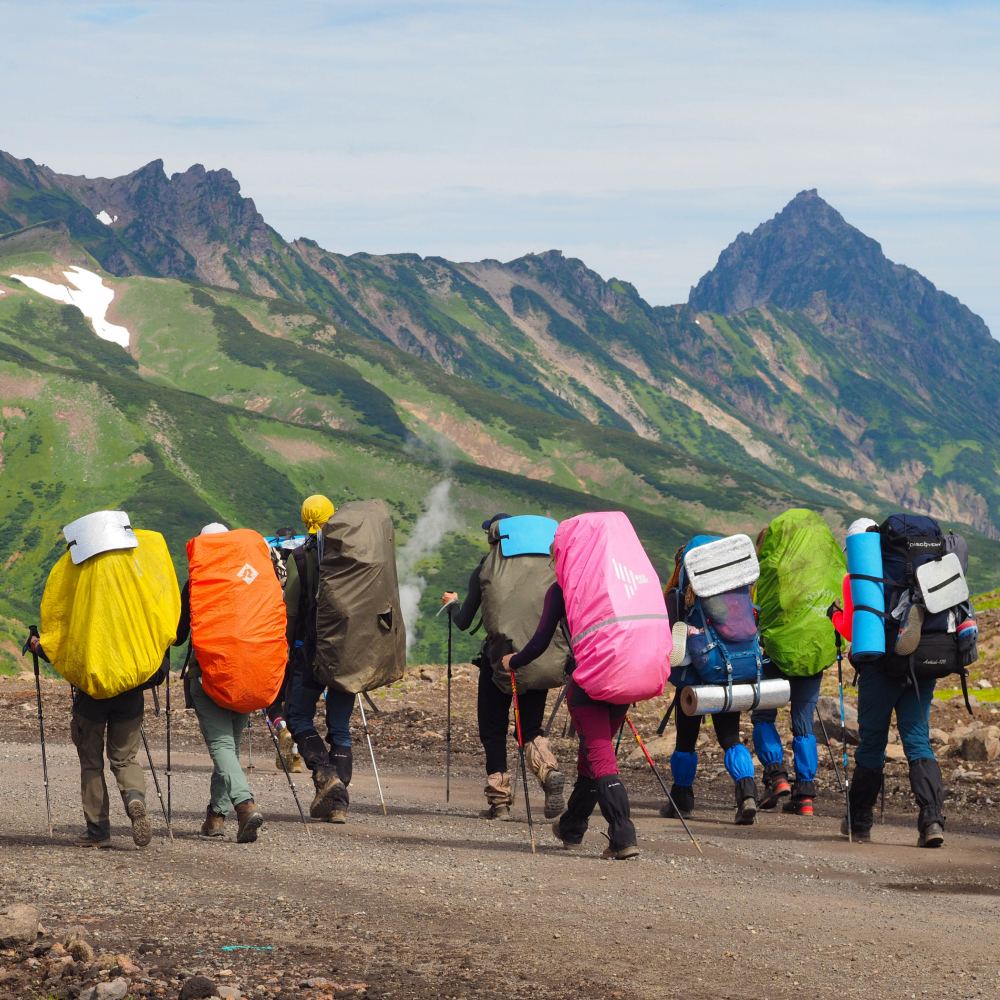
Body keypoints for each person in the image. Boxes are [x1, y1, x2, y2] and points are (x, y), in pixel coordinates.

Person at [32, 510, 178, 849]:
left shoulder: (79, 586)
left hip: (90, 696)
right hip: (130, 692)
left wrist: (38, 646)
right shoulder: (135, 589)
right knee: (125, 758)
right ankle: (134, 799)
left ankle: (98, 832)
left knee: (91, 763)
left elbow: (63, 646)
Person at [443, 513, 568, 821]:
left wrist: (452, 604)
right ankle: (549, 770)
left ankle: (500, 802)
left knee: (494, 729)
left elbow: (463, 622)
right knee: (531, 729)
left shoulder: (485, 569)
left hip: (500, 663)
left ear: (496, 539)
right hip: (539, 661)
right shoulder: (549, 569)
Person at [502, 580, 638, 860]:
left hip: (588, 684)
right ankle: (572, 827)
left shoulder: (563, 588)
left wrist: (514, 661)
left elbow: (540, 641)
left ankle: (623, 835)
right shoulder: (617, 580)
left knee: (600, 758)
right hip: (624, 678)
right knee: (591, 759)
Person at [175, 522, 265, 844]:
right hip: (249, 672)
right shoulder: (248, 577)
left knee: (222, 747)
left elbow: (180, 635)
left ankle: (245, 806)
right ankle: (216, 816)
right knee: (230, 748)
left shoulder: (198, 581)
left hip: (209, 674)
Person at [750, 512, 845, 816]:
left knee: (764, 716)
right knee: (803, 725)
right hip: (812, 653)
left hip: (774, 653)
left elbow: (755, 616)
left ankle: (777, 776)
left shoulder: (766, 575)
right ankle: (804, 795)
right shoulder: (810, 575)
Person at [663, 541, 761, 825]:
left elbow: (670, 645)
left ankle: (681, 800)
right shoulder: (737, 594)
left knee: (685, 741)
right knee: (730, 738)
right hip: (731, 673)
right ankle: (747, 793)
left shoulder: (678, 598)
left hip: (694, 683)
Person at [283, 494, 356, 823]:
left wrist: (288, 648)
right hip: (351, 650)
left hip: (312, 650)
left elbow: (291, 610)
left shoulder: (300, 558)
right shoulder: (355, 554)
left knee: (297, 716)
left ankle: (326, 776)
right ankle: (339, 804)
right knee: (340, 728)